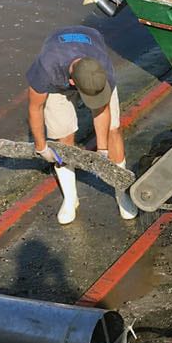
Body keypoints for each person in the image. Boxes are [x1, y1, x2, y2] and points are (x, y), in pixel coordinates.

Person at [26, 26, 137, 225]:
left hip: (90, 54)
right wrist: (41, 146)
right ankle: (71, 199)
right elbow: (35, 108)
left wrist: (102, 150)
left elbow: (102, 111)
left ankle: (122, 193)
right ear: (70, 81)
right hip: (57, 81)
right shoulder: (46, 68)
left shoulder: (102, 68)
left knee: (114, 130)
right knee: (63, 136)